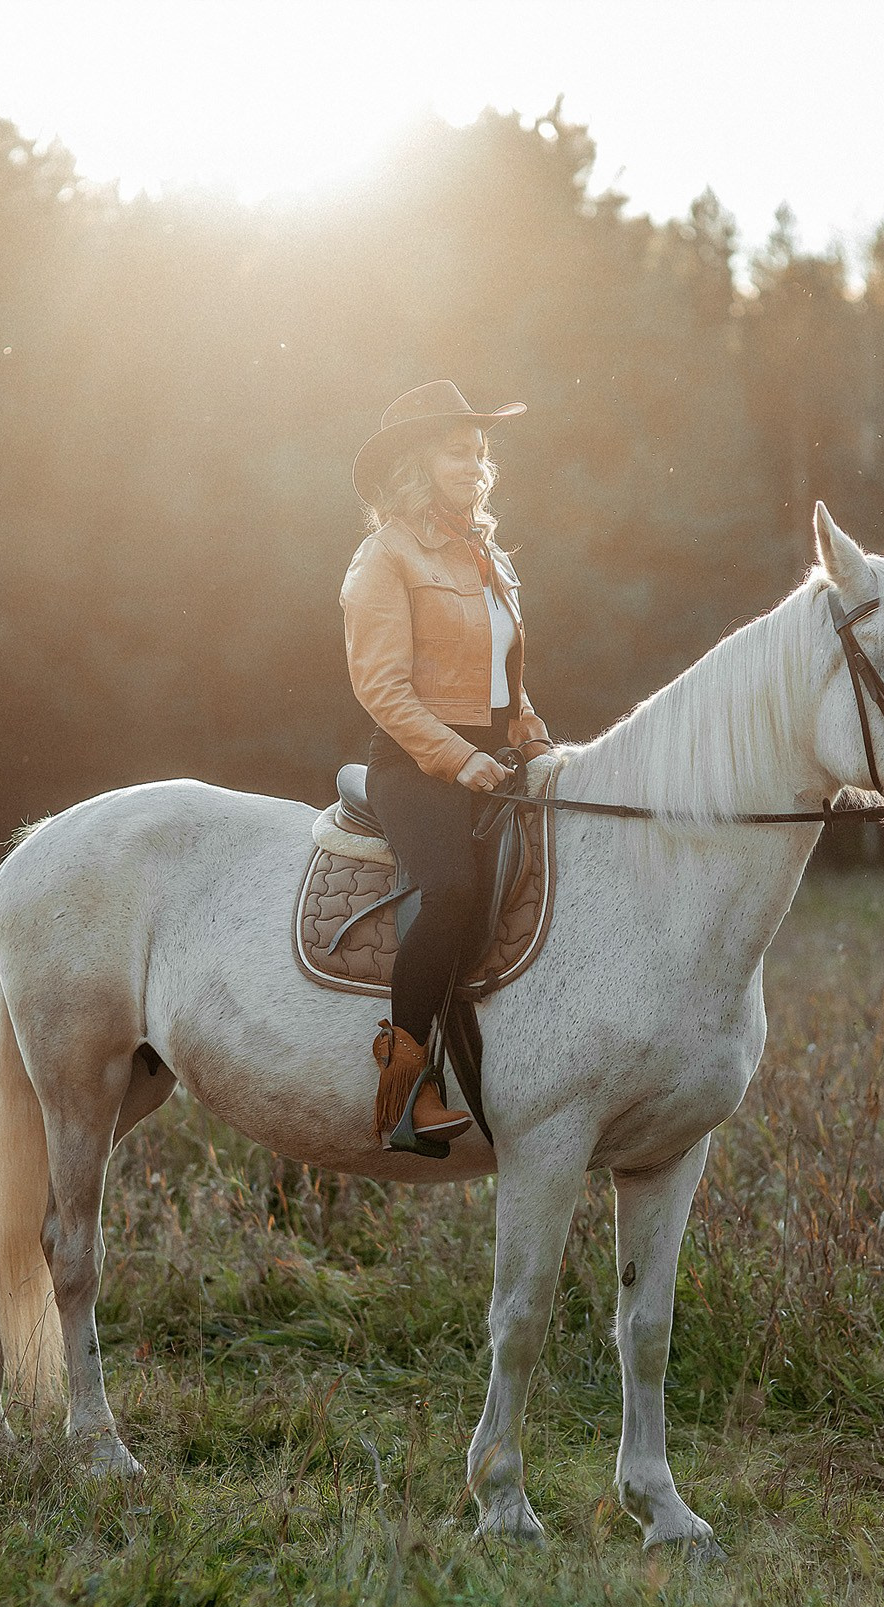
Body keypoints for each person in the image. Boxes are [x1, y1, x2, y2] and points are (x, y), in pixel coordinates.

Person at [341, 380, 552, 1152]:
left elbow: (507, 682)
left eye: (479, 450)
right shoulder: (383, 558)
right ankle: (402, 1094)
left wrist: (533, 738)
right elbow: (382, 689)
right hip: (415, 765)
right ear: (415, 464)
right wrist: (458, 759)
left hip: (493, 758)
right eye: (456, 451)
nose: (475, 463)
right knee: (454, 890)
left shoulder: (488, 556)